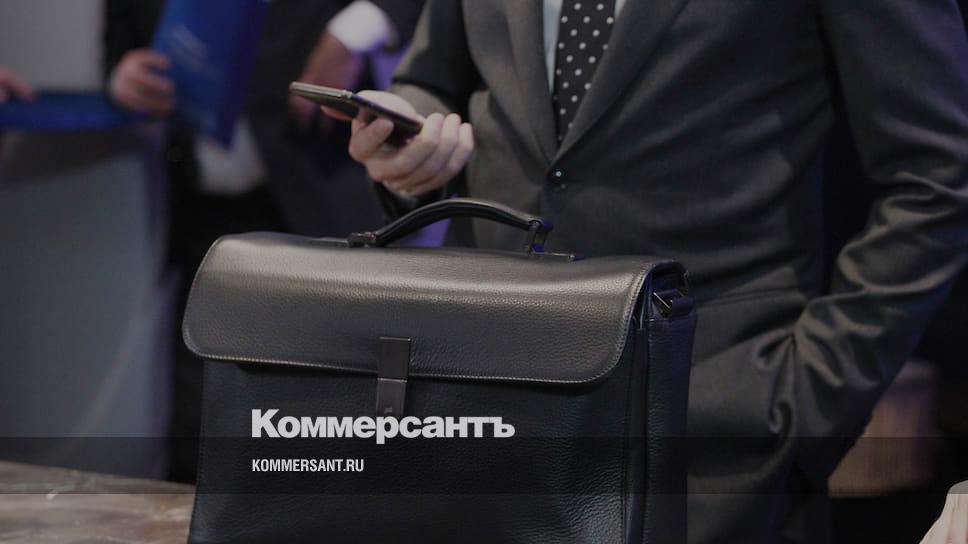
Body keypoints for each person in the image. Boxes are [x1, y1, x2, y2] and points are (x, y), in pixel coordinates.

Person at [332, 1, 968, 542]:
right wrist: (406, 139)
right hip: (484, 418)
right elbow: (436, 79)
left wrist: (810, 397)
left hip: (710, 435)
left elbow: (938, 179)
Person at [103, 0, 425, 481]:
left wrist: (351, 31)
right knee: (201, 419)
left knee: (331, 417)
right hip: (201, 209)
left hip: (316, 192)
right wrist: (123, 78)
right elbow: (121, 47)